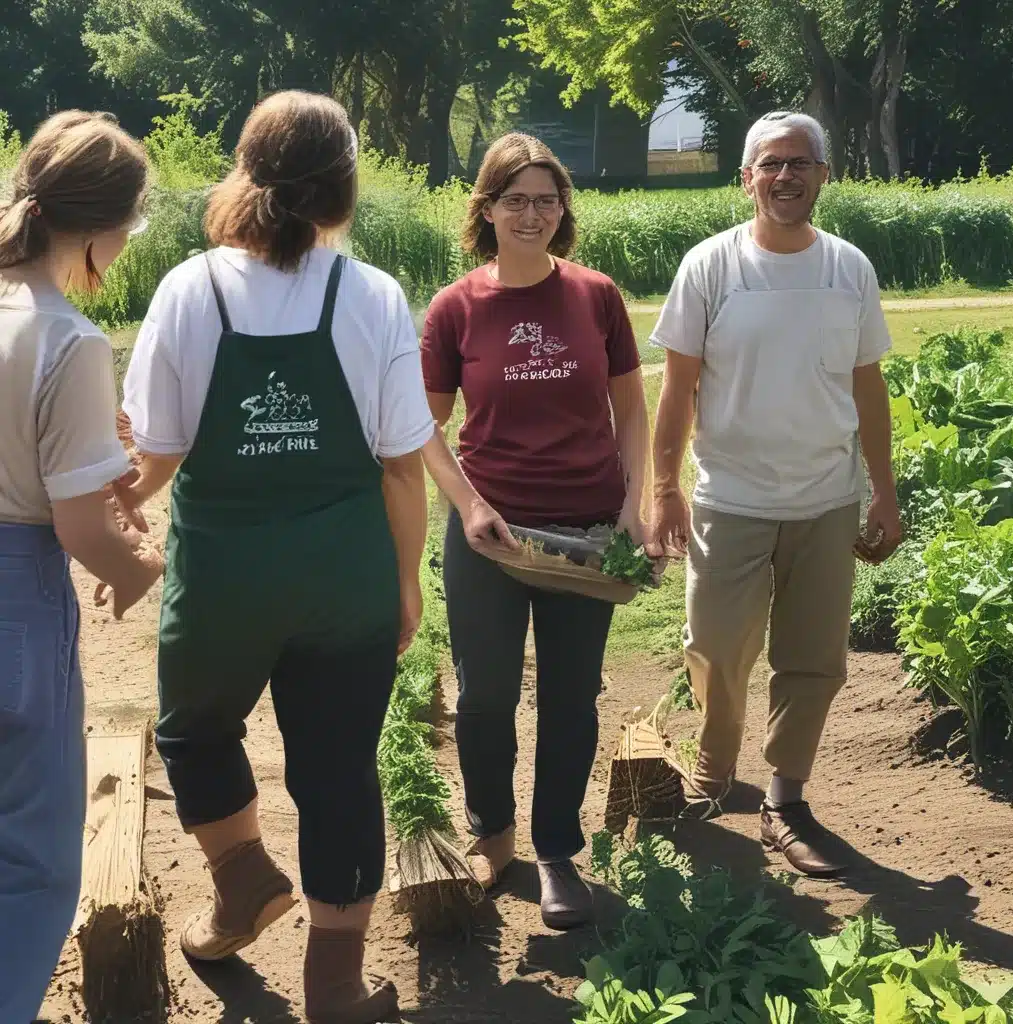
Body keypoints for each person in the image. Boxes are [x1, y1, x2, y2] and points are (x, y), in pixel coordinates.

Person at [119, 90, 511, 1024]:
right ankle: (334, 989)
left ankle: (244, 876)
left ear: (243, 173)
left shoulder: (189, 287)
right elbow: (401, 469)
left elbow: (159, 453)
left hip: (222, 580)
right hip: (345, 580)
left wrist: (113, 508)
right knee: (338, 769)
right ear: (342, 188)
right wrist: (405, 580)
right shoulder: (369, 292)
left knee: (193, 733)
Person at [648, 111, 902, 877]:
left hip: (825, 499)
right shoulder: (711, 267)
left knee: (814, 658)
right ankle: (715, 768)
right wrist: (664, 487)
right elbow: (678, 386)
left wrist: (882, 493)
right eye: (771, 163)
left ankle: (786, 801)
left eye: (800, 162)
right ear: (747, 177)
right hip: (731, 497)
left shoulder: (848, 269)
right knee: (718, 647)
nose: (785, 175)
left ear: (824, 175)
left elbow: (868, 385)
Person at [419, 132, 653, 930]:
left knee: (571, 695)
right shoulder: (456, 307)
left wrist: (634, 504)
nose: (531, 213)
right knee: (483, 696)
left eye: (546, 199)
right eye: (514, 199)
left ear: (564, 209)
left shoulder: (596, 296)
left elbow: (633, 407)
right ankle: (493, 832)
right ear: (484, 208)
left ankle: (556, 850)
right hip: (490, 535)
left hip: (585, 532)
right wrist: (468, 503)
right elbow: (425, 426)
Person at [0, 110, 163, 1023]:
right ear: (105, 227)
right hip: (15, 599)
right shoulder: (70, 339)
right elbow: (76, 529)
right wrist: (138, 566)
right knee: (30, 866)